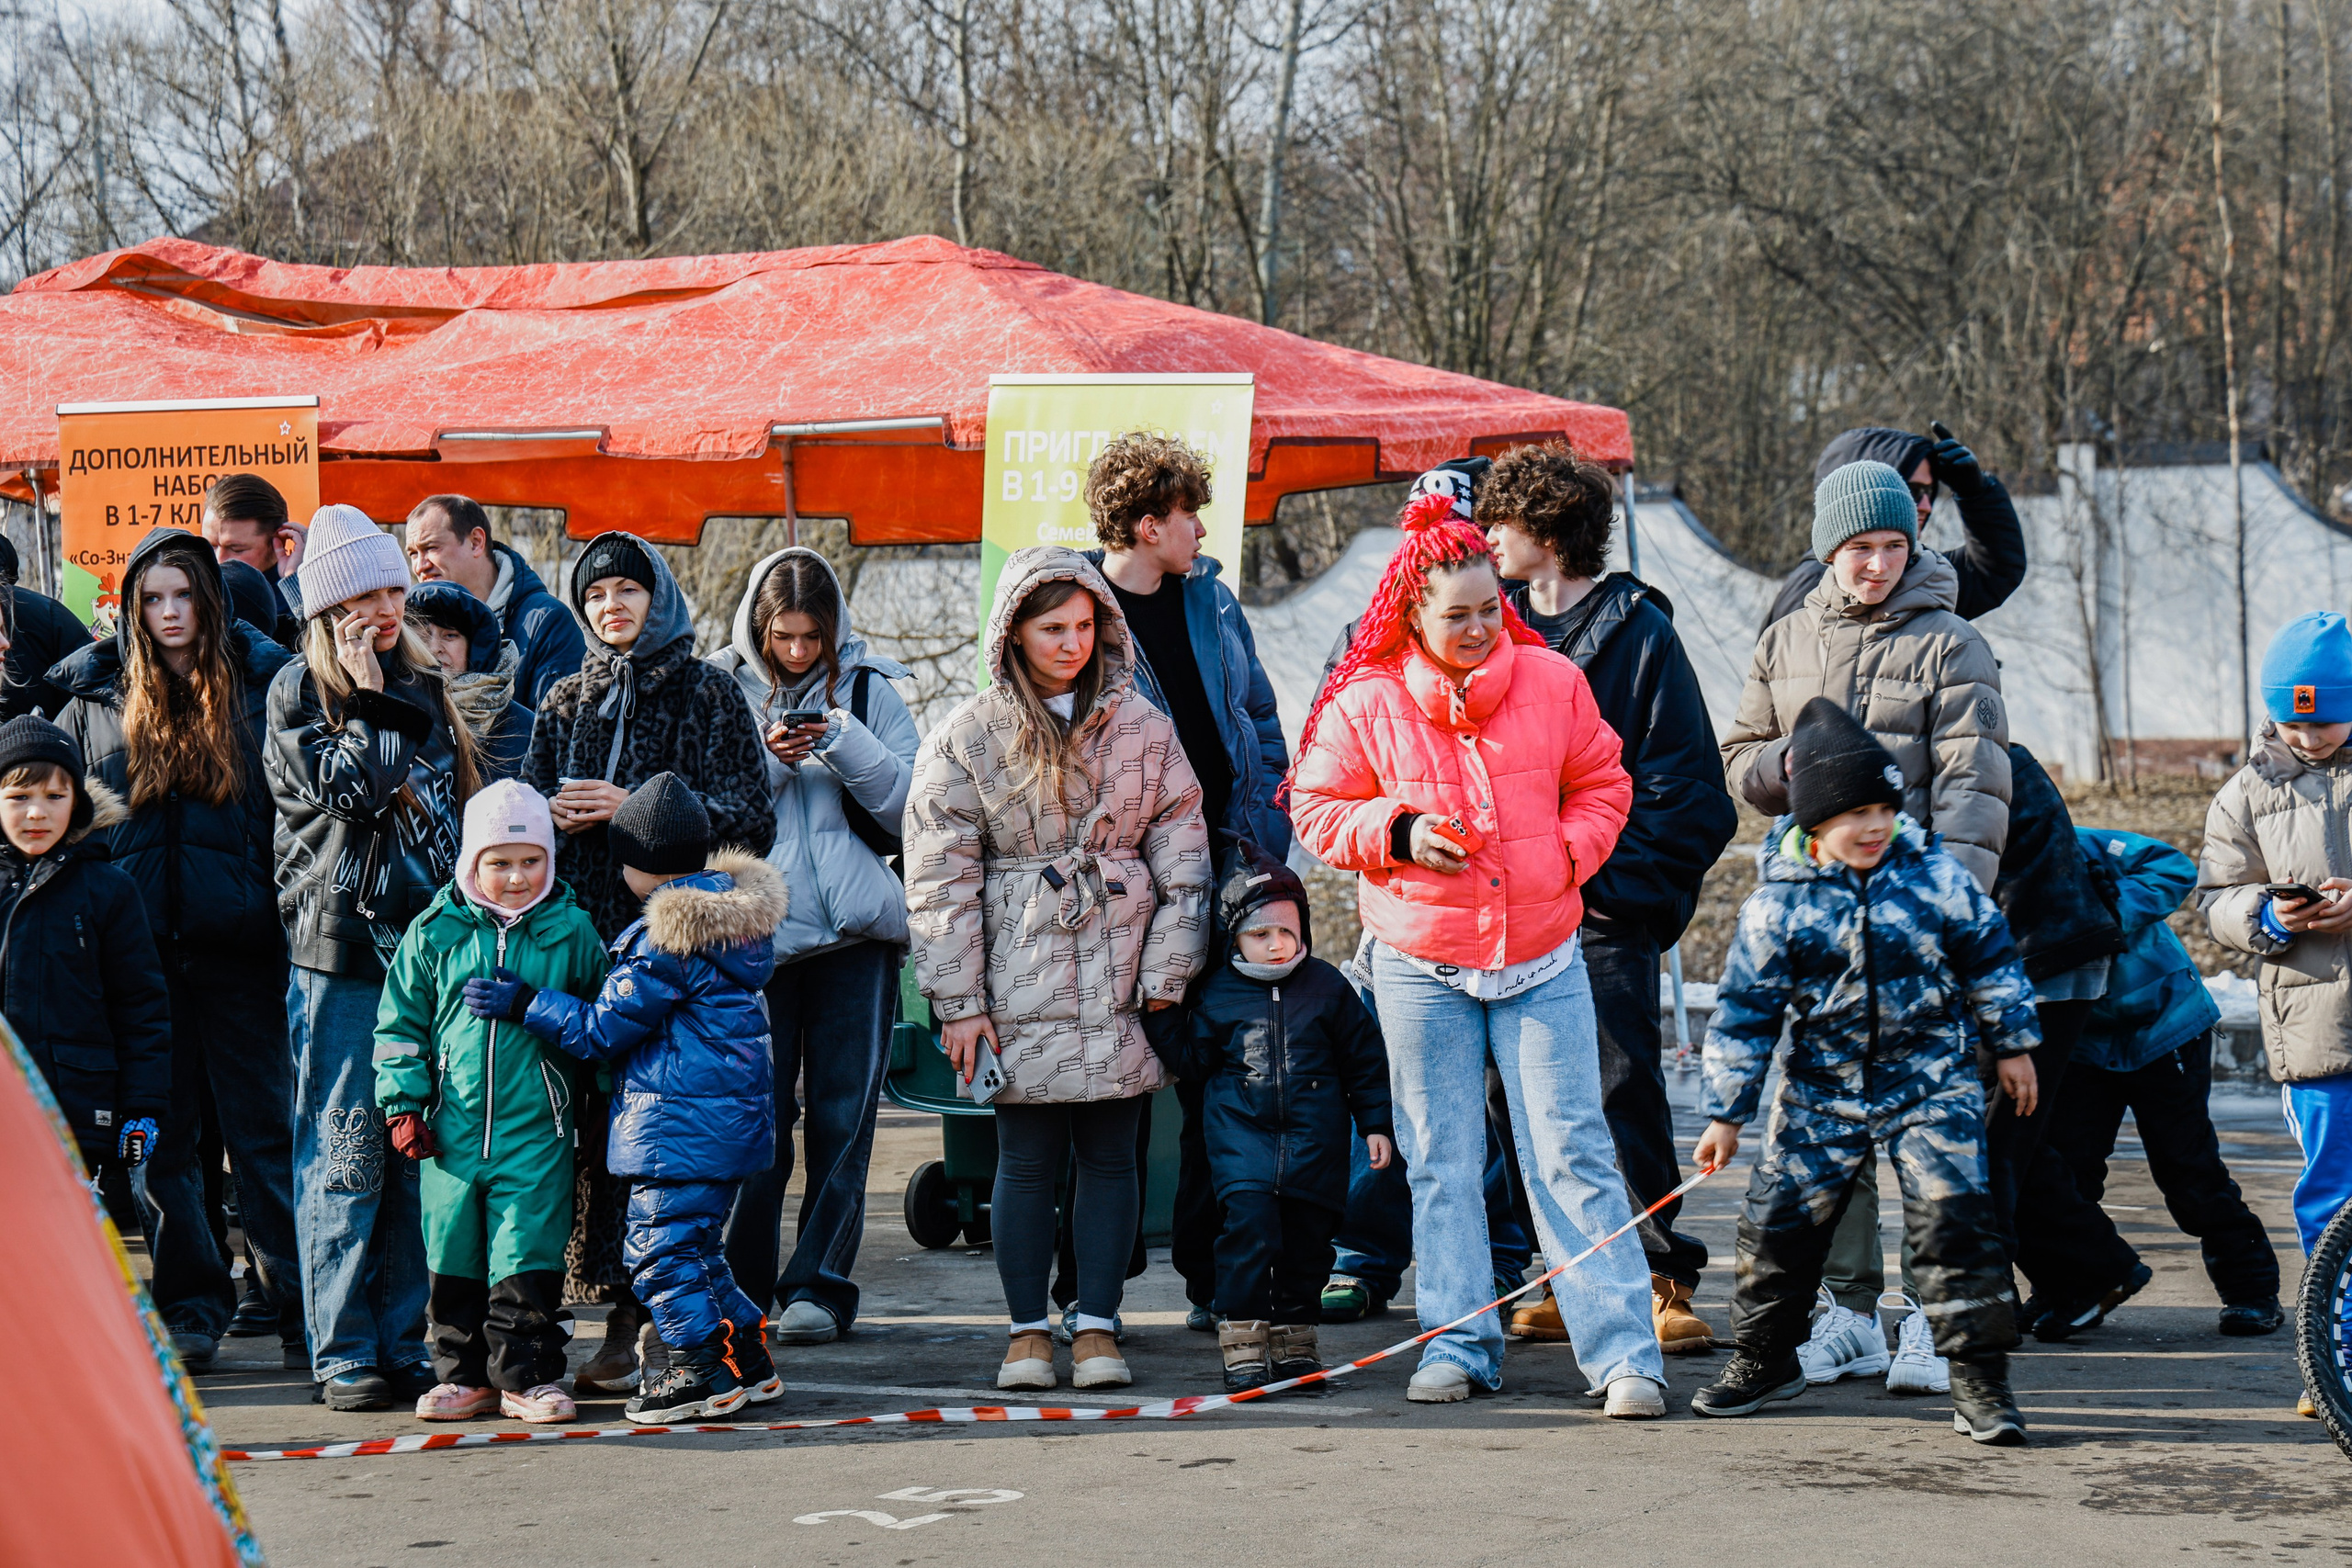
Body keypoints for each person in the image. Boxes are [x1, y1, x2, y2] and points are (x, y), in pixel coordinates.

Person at [1286, 491, 1668, 1416]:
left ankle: (1623, 1356)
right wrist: (1400, 831)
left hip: (1543, 956)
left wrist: (1567, 855)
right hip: (1420, 964)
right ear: (1412, 615)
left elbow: (1605, 784)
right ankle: (1457, 1341)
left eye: (1487, 610)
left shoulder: (1554, 683)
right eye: (1453, 615)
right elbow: (1313, 808)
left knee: (1571, 1152)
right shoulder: (1366, 700)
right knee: (1440, 1160)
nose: (1474, 629)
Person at [904, 547, 1211, 1393]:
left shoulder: (1146, 727)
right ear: (1013, 634)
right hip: (1016, 973)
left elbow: (1185, 856)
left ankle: (1102, 1324)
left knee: (1114, 1152)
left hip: (1121, 965)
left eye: (1084, 625)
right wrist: (959, 1002)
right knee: (1025, 1155)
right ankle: (1026, 1331)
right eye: (1051, 629)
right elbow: (939, 881)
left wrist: (1167, 975)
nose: (1071, 643)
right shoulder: (967, 736)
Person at [1690, 697, 2038, 1445]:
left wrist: (2012, 1043)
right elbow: (1746, 1011)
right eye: (1855, 813)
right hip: (1823, 1087)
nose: (1875, 825)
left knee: (1957, 1226)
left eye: (1885, 806)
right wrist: (1726, 1112)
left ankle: (1979, 1379)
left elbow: (1991, 957)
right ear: (1814, 821)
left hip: (1930, 1080)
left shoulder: (1933, 875)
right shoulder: (1778, 904)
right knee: (1779, 1226)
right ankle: (1764, 1357)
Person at [1471, 440, 1737, 1356]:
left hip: (1595, 912)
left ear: (1545, 530)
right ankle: (1564, 1272)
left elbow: (1688, 786)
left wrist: (1610, 892)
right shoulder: (1485, 626)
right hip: (1501, 914)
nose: (1486, 536)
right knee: (1516, 1098)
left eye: (1500, 520)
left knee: (1618, 1088)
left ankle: (1660, 1274)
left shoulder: (1638, 634)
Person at [522, 531, 772, 1393]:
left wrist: (639, 809)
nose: (611, 606)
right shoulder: (560, 700)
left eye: (627, 589)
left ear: (657, 596)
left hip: (684, 947)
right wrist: (551, 817)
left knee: (663, 1150)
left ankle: (659, 1329)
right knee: (598, 1141)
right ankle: (612, 1317)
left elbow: (753, 816)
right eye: (594, 595)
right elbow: (525, 811)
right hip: (588, 938)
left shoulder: (708, 691)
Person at [51, 529, 300, 1374]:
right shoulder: (90, 698)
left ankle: (304, 1303)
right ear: (131, 607)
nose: (167, 614)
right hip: (140, 957)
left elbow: (290, 819)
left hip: (242, 949)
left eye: (181, 596)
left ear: (209, 598)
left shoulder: (268, 685)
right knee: (159, 1142)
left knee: (265, 1135)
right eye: (151, 599)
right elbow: (55, 821)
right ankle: (192, 1304)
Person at [481, 773, 787, 1423]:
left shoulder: (664, 940)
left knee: (657, 1251)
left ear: (638, 867)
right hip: (725, 1128)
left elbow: (601, 1029)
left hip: (676, 1130)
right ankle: (747, 1361)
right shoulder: (735, 928)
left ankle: (694, 1372)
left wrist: (528, 1002)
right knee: (699, 1251)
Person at [266, 502, 481, 1412]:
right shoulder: (293, 692)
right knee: (347, 1155)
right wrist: (363, 697)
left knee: (406, 1155)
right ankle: (344, 1348)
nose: (386, 607)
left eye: (394, 586)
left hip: (419, 955)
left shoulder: (423, 684)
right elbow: (357, 789)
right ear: (327, 604)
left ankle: (400, 1340)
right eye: (364, 591)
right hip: (339, 955)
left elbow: (449, 816)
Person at [1080, 434, 1289, 1333]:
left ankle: (1216, 1283)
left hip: (1226, 876)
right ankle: (1092, 1292)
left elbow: (1262, 722)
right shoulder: (1074, 613)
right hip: (1121, 894)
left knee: (1224, 1083)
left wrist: (1264, 839)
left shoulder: (1213, 602)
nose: (1203, 529)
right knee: (1111, 1090)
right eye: (1189, 515)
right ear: (1145, 524)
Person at [707, 547, 918, 1347]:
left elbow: (911, 811)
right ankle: (746, 1282)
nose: (797, 652)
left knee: (845, 1117)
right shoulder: (719, 685)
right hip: (755, 935)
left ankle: (821, 1285)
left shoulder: (872, 686)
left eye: (811, 638)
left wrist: (844, 742)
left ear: (835, 630)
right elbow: (704, 806)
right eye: (783, 637)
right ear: (757, 628)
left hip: (857, 935)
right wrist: (769, 756)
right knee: (757, 1119)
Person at [374, 780, 609, 1424]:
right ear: (472, 861)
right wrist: (403, 1103)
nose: (515, 877)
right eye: (499, 862)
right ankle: (462, 1375)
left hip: (539, 1130)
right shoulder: (435, 931)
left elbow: (602, 1024)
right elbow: (399, 1024)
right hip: (449, 1134)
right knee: (452, 1253)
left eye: (530, 860)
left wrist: (601, 1104)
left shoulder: (571, 930)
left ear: (550, 860)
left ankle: (529, 1377)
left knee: (525, 1252)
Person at [2015, 827, 2281, 1338]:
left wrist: (2104, 914)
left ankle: (2251, 1290)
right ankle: (2067, 1288)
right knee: (2066, 1173)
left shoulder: (2078, 842)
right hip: (2082, 1041)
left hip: (2166, 1025)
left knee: (2188, 1169)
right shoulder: (1972, 867)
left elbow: (2174, 867)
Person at [2196, 611, 2352, 1420]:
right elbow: (2216, 897)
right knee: (2330, 1193)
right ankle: (2337, 1349)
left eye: (2326, 718)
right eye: (2295, 720)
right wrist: (2267, 913)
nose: (2311, 735)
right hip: (2311, 1027)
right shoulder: (2247, 793)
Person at [1722, 458, 2011, 891]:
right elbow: (1738, 760)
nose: (1879, 565)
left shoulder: (1953, 644)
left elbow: (1973, 791)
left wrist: (1949, 903)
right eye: (1861, 548)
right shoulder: (1781, 640)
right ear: (1830, 550)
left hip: (1912, 894)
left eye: (1894, 545)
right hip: (1809, 893)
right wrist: (1783, 763)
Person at [1165, 840, 1391, 1393]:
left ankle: (1295, 1341)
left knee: (1309, 1244)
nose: (1275, 944)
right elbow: (1193, 1062)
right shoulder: (1217, 994)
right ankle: (1243, 1338)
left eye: (1286, 931)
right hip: (1242, 1141)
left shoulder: (1328, 989)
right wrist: (1161, 1020)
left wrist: (1376, 1123)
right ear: (1235, 937)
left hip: (1317, 1145)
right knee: (1249, 1233)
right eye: (1260, 933)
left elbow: (1364, 1060)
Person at [0, 716, 170, 1192]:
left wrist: (142, 1108)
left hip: (74, 1107)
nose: (37, 813)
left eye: (55, 797)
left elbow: (140, 1007)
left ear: (77, 803)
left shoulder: (109, 890)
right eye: (18, 798)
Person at [1759, 425, 2028, 631]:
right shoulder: (1816, 587)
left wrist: (1977, 493)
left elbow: (1992, 571)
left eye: (1929, 490)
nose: (1925, 505)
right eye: (1911, 490)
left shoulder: (1913, 574)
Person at [404, 495, 587, 707]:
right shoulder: (408, 629)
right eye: (413, 554)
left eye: (431, 548)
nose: (419, 566)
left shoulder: (547, 623)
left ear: (476, 542)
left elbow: (557, 732)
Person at [405, 581, 535, 780]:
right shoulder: (392, 713)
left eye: (450, 635)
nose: (434, 648)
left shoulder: (526, 727)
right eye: (422, 637)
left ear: (474, 647)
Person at [0, 535, 91, 722]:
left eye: (2, 629)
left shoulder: (47, 615)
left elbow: (91, 707)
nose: (5, 643)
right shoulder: (47, 612)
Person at [201, 473, 308, 626]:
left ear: (278, 541)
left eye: (236, 549)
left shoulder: (299, 601)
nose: (219, 560)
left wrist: (295, 586)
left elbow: (317, 645)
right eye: (210, 546)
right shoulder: (187, 591)